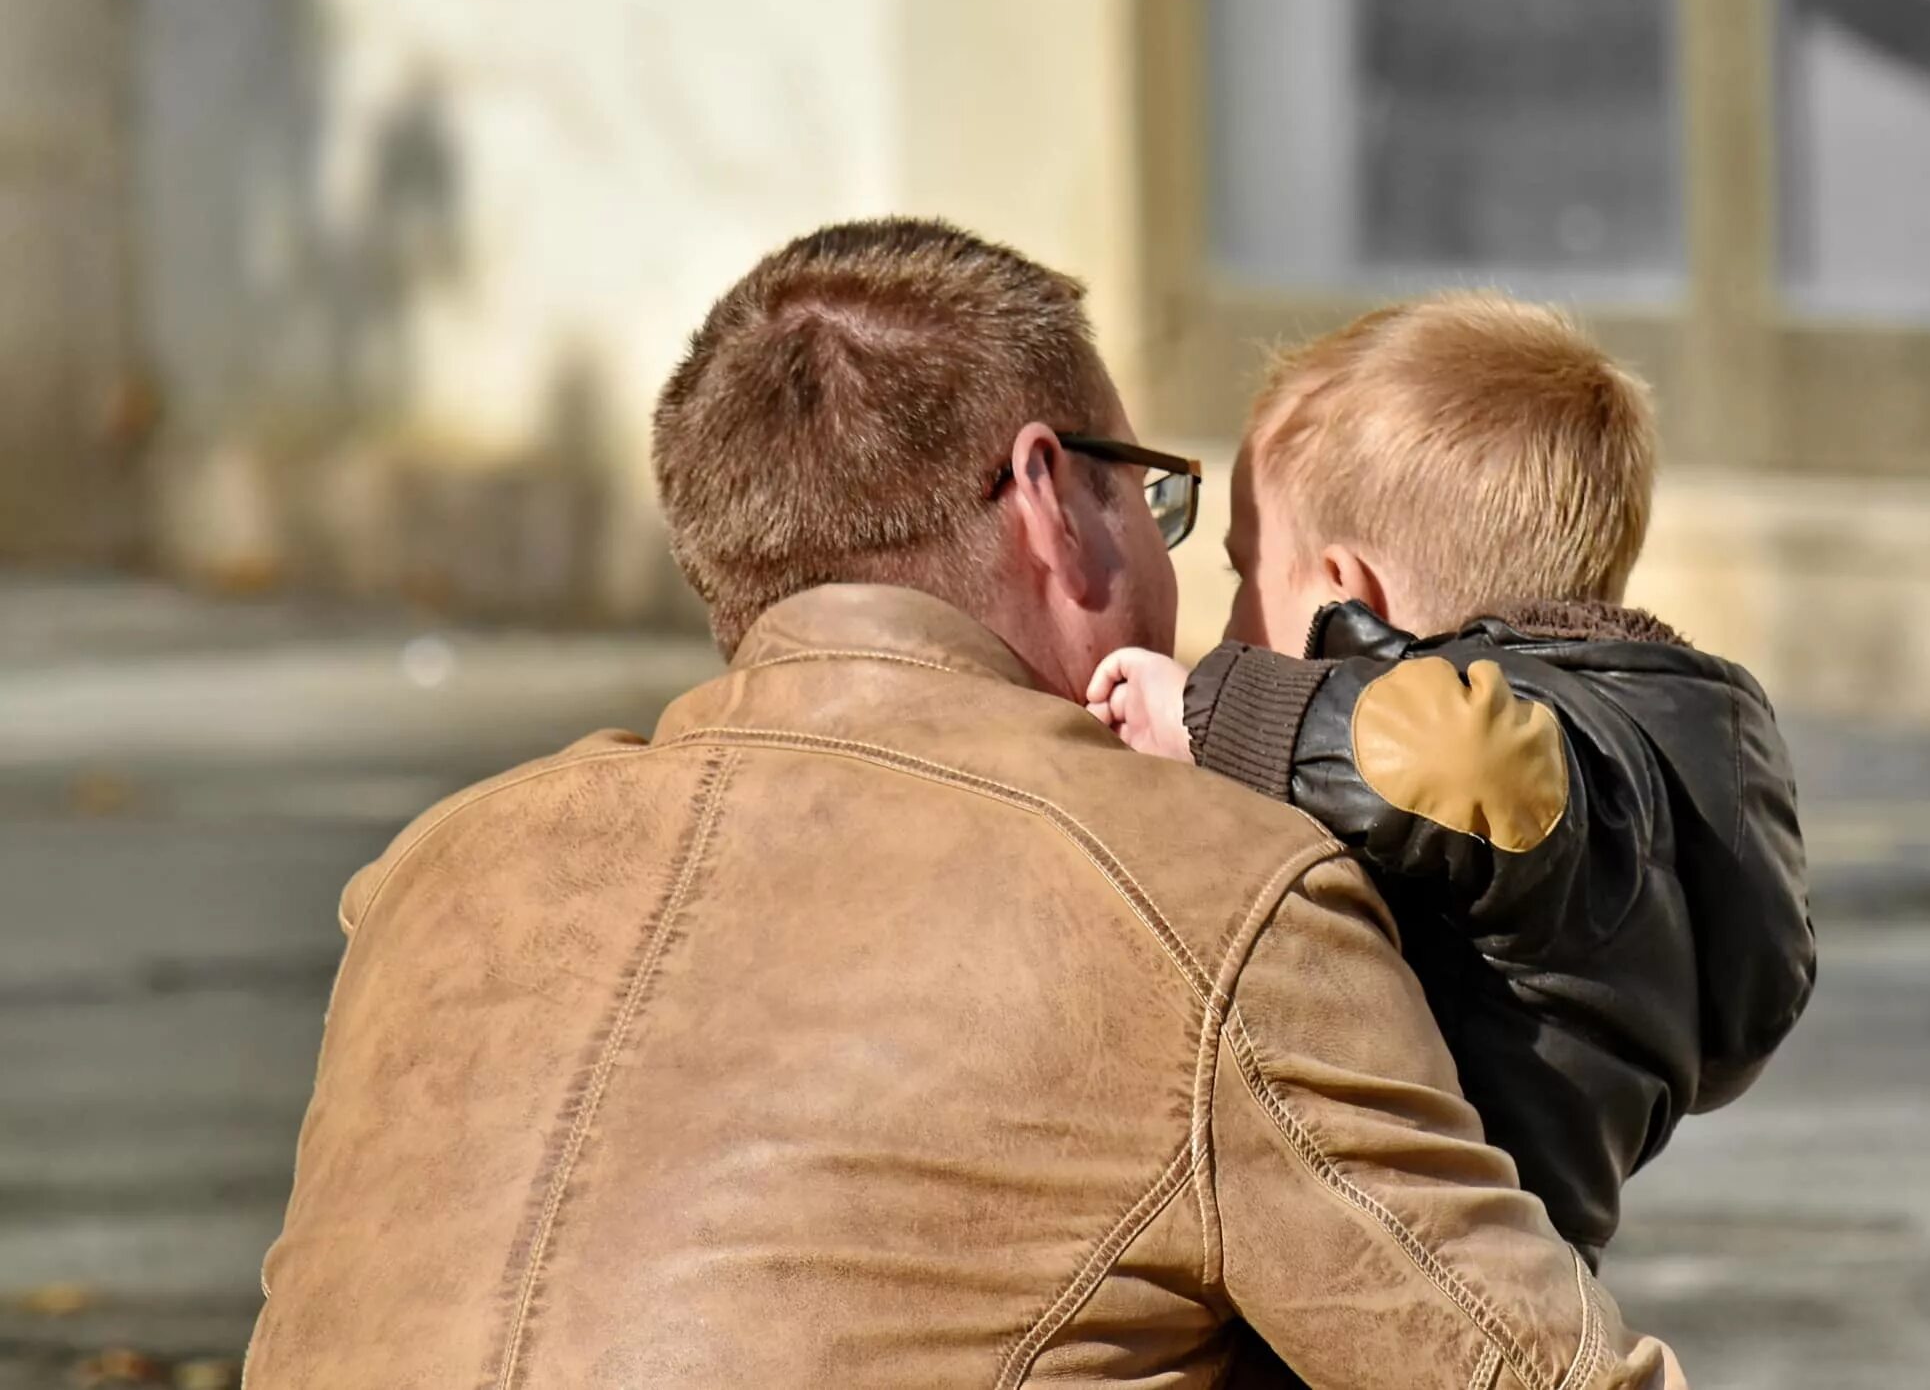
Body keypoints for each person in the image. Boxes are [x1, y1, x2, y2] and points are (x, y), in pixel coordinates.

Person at [243, 221, 1684, 1389]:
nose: (1204, 607)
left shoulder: (438, 873)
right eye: (1163, 503)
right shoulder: (1204, 886)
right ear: (1053, 499)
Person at [1090, 294, 1815, 1262]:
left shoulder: (1559, 754)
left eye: (1242, 573)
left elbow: (1455, 759)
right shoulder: (1659, 751)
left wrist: (1216, 710)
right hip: (1513, 1267)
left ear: (1344, 599)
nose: (1226, 627)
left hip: (1429, 1269)